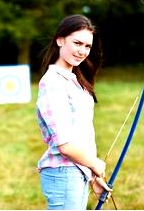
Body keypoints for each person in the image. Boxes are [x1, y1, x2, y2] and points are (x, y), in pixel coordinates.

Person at [36, 14, 112, 210]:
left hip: (76, 171)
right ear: (60, 40)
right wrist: (95, 164)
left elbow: (81, 133)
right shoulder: (53, 82)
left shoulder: (73, 80)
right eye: (77, 43)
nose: (82, 51)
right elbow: (65, 145)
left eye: (87, 46)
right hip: (64, 173)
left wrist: (93, 175)